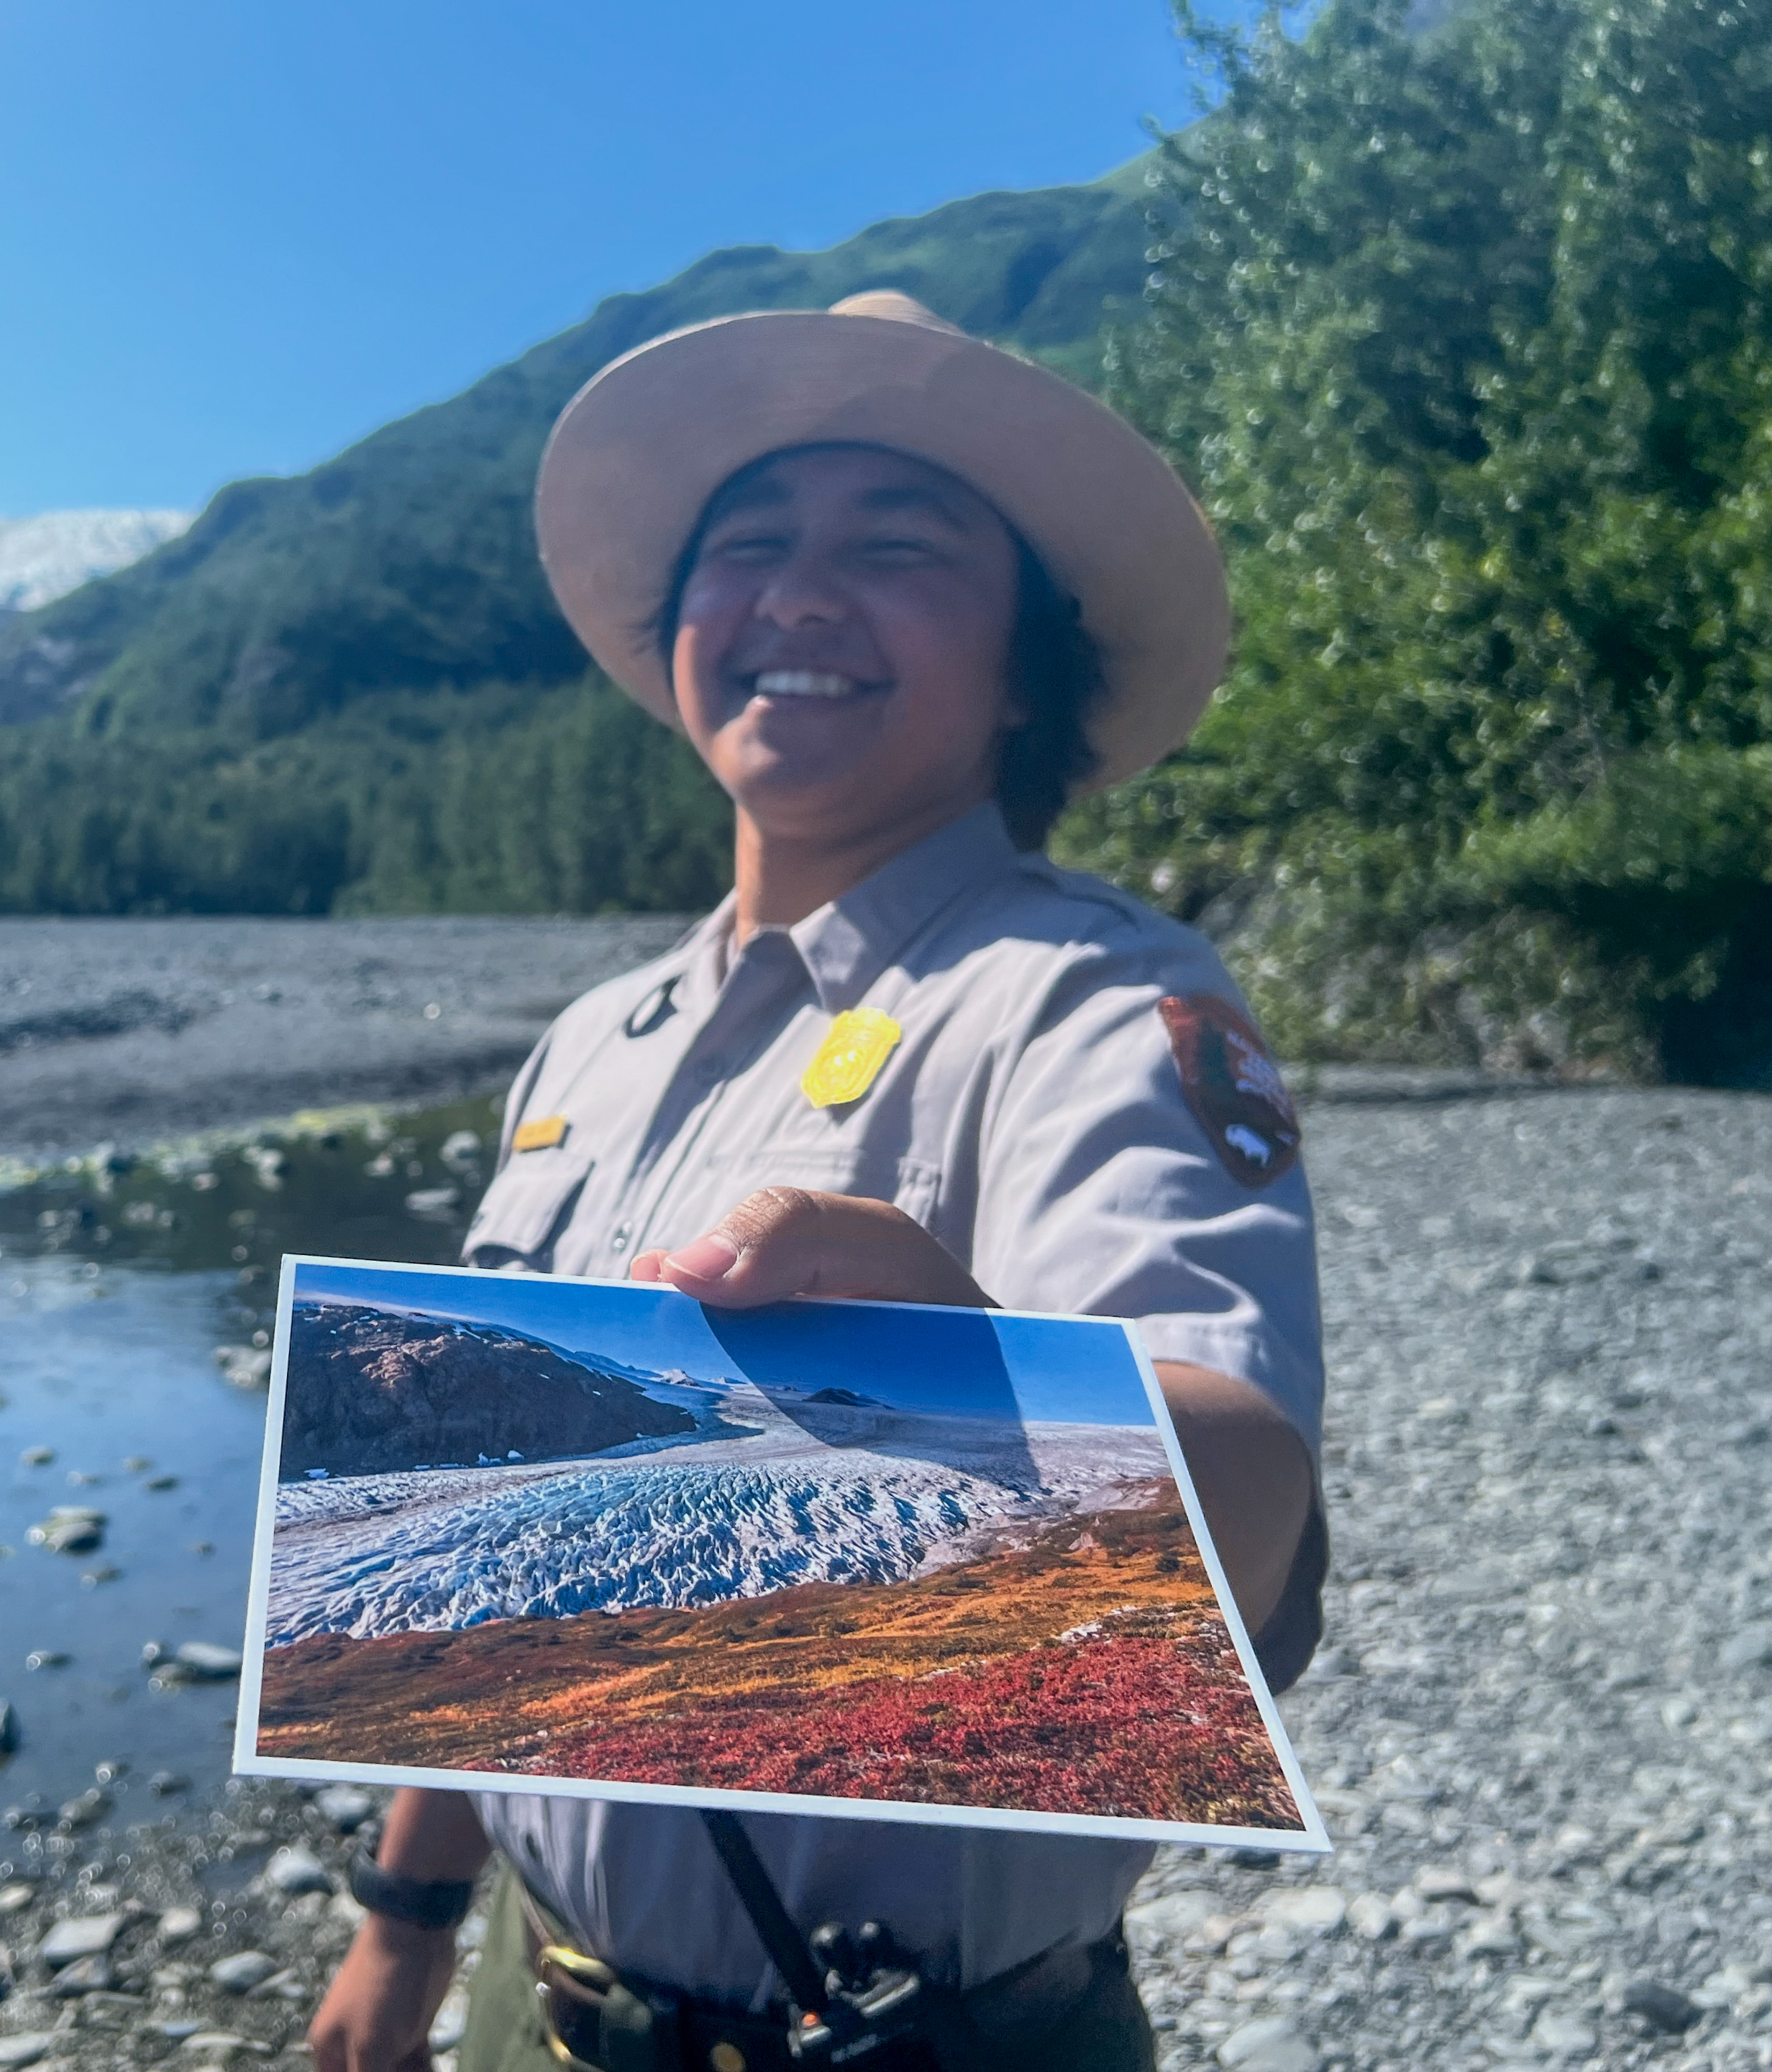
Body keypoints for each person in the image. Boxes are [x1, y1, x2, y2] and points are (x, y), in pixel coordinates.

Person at [305, 292, 1324, 2072]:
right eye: (748, 545)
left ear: (1027, 665)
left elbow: (1252, 1511)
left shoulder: (1090, 1003)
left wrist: (980, 1388)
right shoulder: (588, 1046)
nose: (790, 592)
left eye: (895, 545)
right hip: (533, 2003)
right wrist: (400, 1928)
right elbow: (462, 1580)